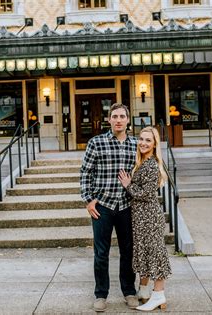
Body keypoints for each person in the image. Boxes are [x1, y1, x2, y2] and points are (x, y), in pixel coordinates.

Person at [80, 103, 139, 312]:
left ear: (128, 120)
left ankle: (129, 291)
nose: (119, 120)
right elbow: (86, 173)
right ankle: (101, 294)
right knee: (101, 252)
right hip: (102, 206)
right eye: (115, 116)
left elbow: (143, 174)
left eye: (122, 116)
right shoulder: (96, 142)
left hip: (127, 205)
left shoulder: (137, 144)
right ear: (109, 120)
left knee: (128, 251)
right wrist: (89, 200)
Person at [118, 126, 172, 311]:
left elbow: (146, 194)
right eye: (141, 138)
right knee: (145, 253)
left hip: (149, 216)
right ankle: (144, 291)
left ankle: (158, 295)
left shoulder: (151, 164)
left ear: (155, 144)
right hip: (140, 216)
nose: (143, 142)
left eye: (148, 140)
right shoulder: (143, 161)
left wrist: (127, 185)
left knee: (155, 254)